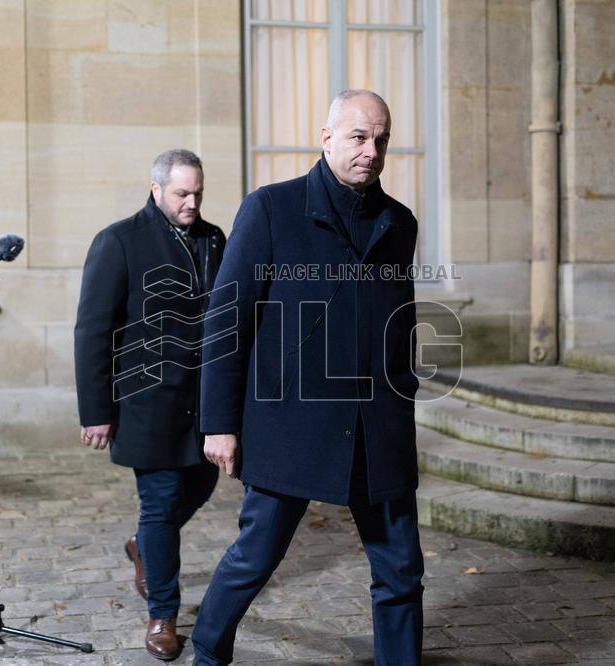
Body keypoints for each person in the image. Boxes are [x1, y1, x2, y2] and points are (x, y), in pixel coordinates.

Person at [193, 90, 424, 665]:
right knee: (255, 558)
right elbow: (228, 320)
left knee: (401, 571)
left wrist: (403, 394)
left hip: (378, 429)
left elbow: (401, 322)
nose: (371, 151)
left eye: (381, 139)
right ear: (324, 138)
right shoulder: (270, 209)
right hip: (288, 425)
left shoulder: (400, 223)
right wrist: (219, 423)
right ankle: (206, 651)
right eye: (357, 137)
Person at [74, 148, 226, 661]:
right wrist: (95, 410)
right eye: (182, 193)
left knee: (202, 484)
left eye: (198, 193)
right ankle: (162, 614)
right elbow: (92, 330)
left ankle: (144, 545)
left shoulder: (213, 239)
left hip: (201, 399)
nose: (192, 202)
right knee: (160, 504)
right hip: (145, 401)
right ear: (156, 188)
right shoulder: (119, 241)